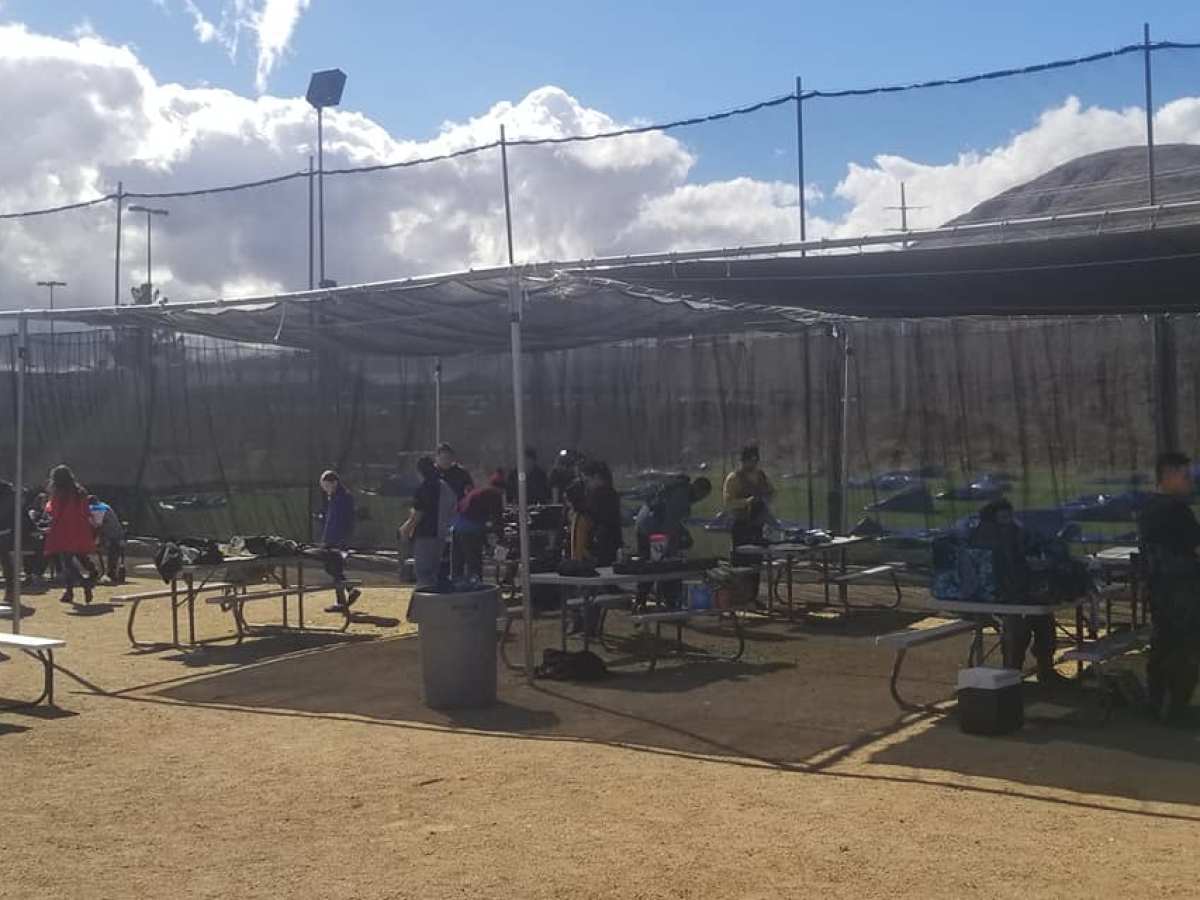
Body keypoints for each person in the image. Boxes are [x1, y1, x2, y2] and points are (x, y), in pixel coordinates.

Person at [969, 499, 1067, 687]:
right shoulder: (988, 536)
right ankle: (1012, 676)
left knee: (1044, 621)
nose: (1009, 519)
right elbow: (1002, 571)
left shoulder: (1014, 531)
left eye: (1009, 515)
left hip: (1020, 594)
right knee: (1017, 628)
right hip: (998, 598)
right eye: (1004, 516)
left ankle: (1044, 669)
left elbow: (1025, 556)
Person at [1137, 452, 1200, 725]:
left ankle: (1156, 704)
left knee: (1163, 645)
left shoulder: (1148, 509)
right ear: (1169, 475)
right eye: (1186, 476)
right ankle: (1176, 709)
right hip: (1182, 591)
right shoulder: (1176, 511)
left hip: (1162, 590)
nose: (1190, 482)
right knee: (1185, 649)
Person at [635, 475, 712, 606]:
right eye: (702, 496)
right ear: (700, 491)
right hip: (650, 529)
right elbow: (669, 525)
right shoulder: (681, 496)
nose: (700, 499)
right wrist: (672, 549)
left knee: (652, 566)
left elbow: (672, 521)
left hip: (645, 523)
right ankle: (662, 603)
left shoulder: (680, 491)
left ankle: (645, 601)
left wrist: (682, 535)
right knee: (659, 566)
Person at [723, 445, 774, 603]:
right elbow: (728, 502)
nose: (752, 464)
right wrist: (746, 502)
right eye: (749, 460)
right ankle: (738, 597)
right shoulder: (734, 478)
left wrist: (767, 497)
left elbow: (771, 491)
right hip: (741, 525)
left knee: (755, 563)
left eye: (754, 460)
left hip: (757, 525)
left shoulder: (761, 476)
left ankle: (752, 596)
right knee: (741, 562)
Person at [43, 465, 98, 605]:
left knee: (67, 562)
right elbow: (86, 510)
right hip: (79, 528)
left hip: (63, 528)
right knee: (78, 556)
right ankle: (71, 590)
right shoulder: (80, 491)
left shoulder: (59, 492)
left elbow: (53, 511)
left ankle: (80, 584)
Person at [401, 456, 456, 587]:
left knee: (423, 573)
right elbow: (453, 507)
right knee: (434, 572)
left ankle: (424, 603)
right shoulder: (444, 486)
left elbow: (419, 513)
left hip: (426, 534)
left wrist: (406, 529)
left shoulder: (424, 487)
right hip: (441, 534)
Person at [316, 470, 362, 613]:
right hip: (336, 538)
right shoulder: (338, 497)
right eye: (323, 486)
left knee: (332, 567)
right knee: (334, 568)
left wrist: (330, 540)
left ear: (334, 483)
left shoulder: (341, 498)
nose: (325, 489)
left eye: (326, 485)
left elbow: (338, 522)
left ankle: (347, 593)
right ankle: (345, 596)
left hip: (336, 539)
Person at [453, 471, 507, 580]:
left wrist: (486, 543)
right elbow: (497, 519)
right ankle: (476, 588)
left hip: (457, 525)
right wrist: (502, 538)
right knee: (474, 564)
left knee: (458, 563)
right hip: (470, 528)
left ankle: (456, 589)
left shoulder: (480, 491)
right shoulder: (495, 494)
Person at [88, 495, 127, 583]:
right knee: (113, 555)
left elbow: (98, 525)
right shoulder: (105, 506)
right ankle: (109, 574)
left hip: (111, 534)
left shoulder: (98, 509)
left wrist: (96, 539)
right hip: (117, 533)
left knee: (111, 553)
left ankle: (107, 574)